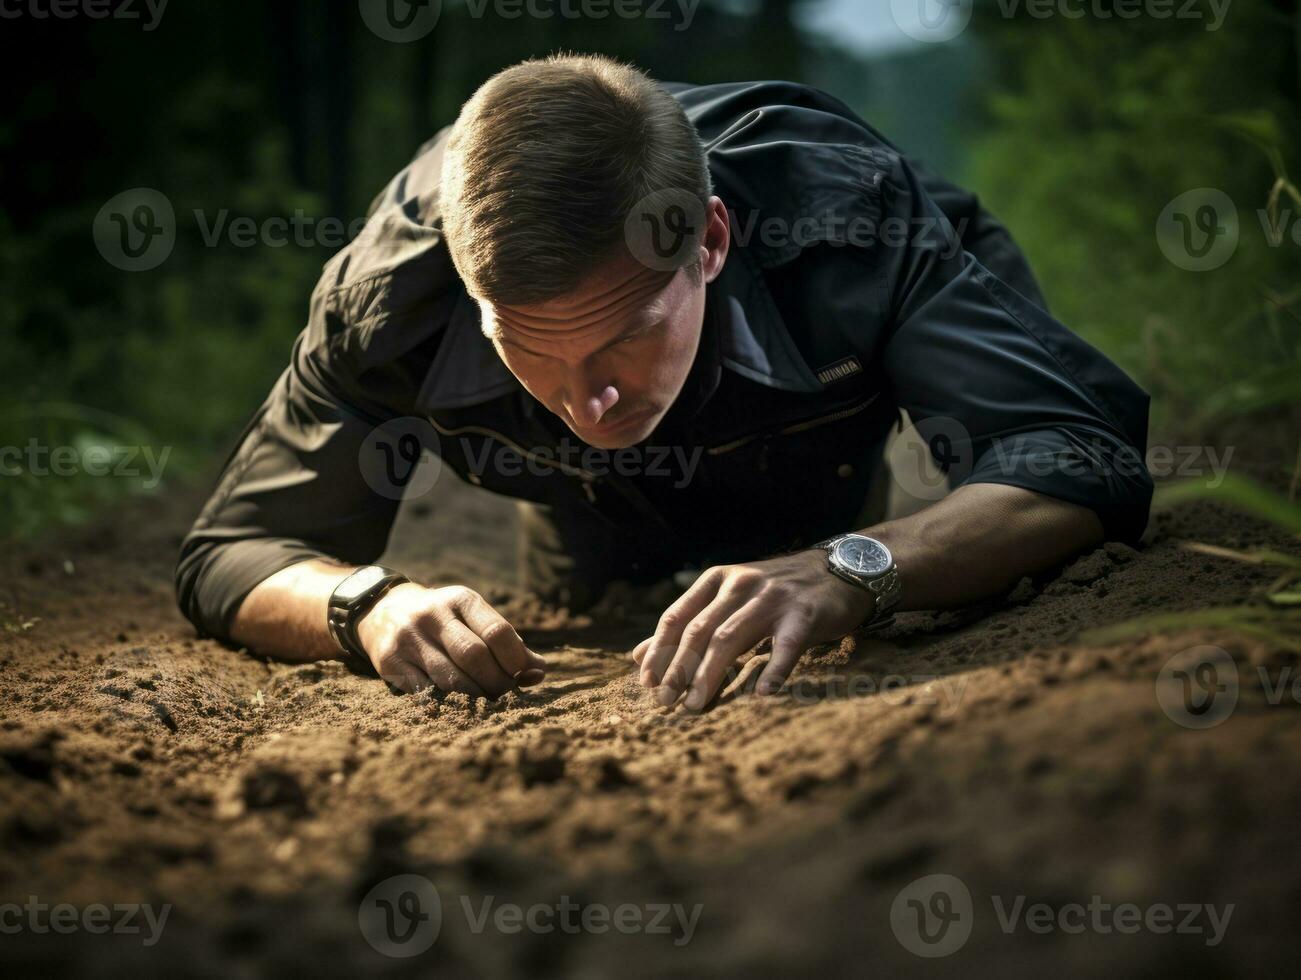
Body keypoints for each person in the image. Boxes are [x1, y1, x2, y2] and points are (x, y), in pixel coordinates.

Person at [175, 53, 1153, 712]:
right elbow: (232, 547)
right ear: (468, 290)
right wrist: (364, 602)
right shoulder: (388, 299)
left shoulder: (851, 230)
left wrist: (854, 565)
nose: (586, 399)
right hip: (578, 503)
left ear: (710, 241)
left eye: (620, 337)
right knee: (596, 586)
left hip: (809, 447)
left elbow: (1076, 450)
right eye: (528, 347)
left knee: (836, 566)